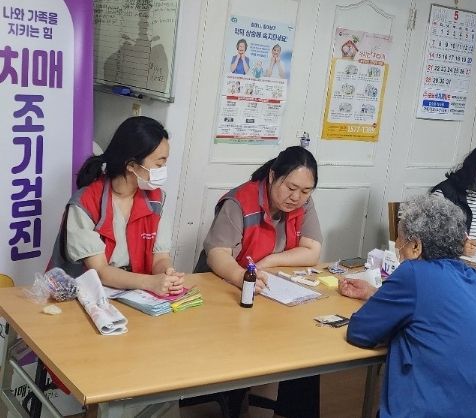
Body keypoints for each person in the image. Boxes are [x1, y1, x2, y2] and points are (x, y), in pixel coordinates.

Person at [339, 194, 476, 418]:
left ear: (416, 246)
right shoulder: (475, 277)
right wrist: (376, 295)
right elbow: (433, 311)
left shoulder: (413, 273)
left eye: (400, 240)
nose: (398, 247)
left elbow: (359, 332)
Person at [195, 145, 322, 418]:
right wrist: (243, 277)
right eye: (290, 187)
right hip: (224, 289)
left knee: (306, 351)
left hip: (266, 290)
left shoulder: (303, 203)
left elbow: (312, 251)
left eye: (305, 191)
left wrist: (268, 262)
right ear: (272, 175)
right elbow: (217, 254)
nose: (296, 197)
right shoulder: (239, 202)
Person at [48, 116, 184, 295]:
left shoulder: (156, 200)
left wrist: (167, 274)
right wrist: (150, 282)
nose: (164, 169)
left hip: (135, 293)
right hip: (84, 295)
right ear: (131, 165)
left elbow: (160, 258)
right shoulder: (85, 202)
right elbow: (100, 271)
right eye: (159, 163)